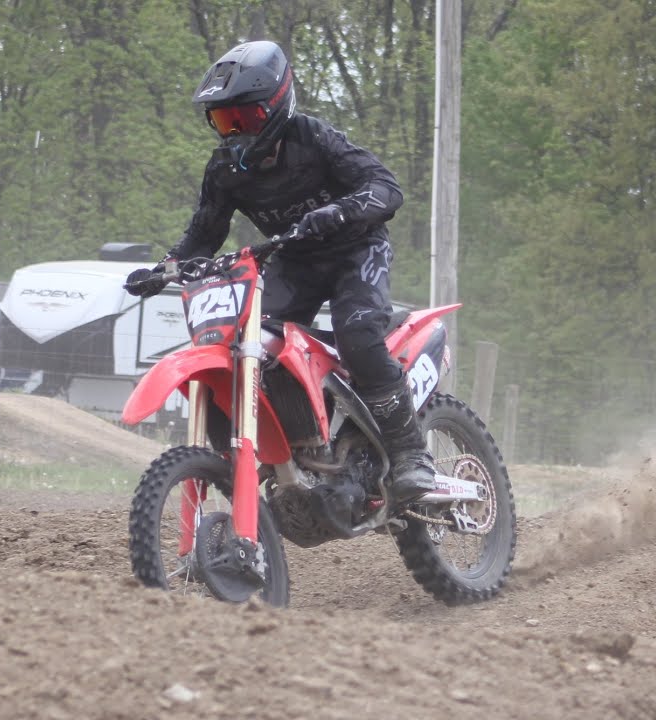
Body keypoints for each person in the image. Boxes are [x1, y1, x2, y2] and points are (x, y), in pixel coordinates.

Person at [125, 40, 434, 504]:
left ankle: (411, 453)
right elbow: (202, 236)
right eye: (223, 121)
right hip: (294, 259)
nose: (233, 133)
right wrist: (163, 271)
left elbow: (386, 189)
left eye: (243, 119)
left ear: (275, 106)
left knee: (357, 333)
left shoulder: (314, 138)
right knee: (254, 344)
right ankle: (293, 443)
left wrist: (341, 211)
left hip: (357, 249)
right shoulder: (224, 169)